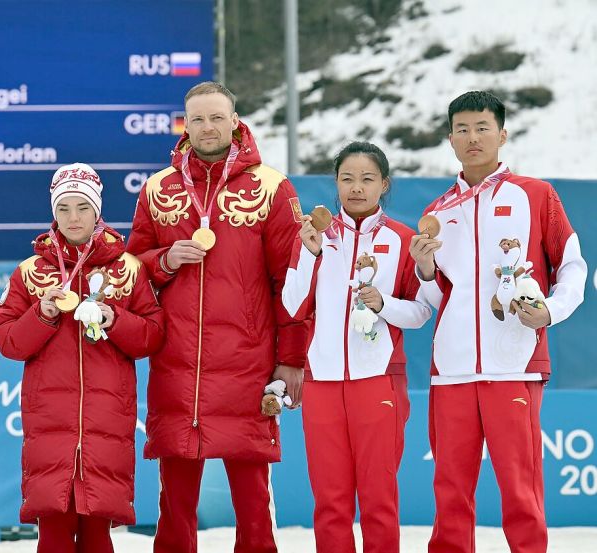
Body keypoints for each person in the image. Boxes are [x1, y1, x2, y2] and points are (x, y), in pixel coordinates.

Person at [127, 81, 306, 553]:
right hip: (177, 359)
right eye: (197, 119)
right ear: (186, 125)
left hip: (247, 362)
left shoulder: (271, 186)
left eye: (215, 118)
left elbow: (292, 284)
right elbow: (129, 271)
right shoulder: (158, 188)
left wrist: (291, 360)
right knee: (176, 495)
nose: (206, 128)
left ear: (234, 121)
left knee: (251, 491)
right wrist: (164, 260)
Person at [411, 91, 587, 553]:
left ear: (502, 134)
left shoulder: (535, 195)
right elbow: (434, 296)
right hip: (451, 369)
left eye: (483, 127)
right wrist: (425, 270)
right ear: (450, 139)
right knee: (450, 489)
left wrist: (551, 310)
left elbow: (572, 265)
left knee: (520, 488)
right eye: (463, 129)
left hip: (513, 363)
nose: (473, 137)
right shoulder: (436, 211)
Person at [0, 163, 164, 552]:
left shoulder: (128, 269)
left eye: (82, 207)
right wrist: (43, 314)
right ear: (53, 211)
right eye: (64, 207)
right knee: (52, 535)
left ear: (97, 211)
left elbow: (152, 335)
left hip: (107, 426)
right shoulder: (31, 272)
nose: (73, 217)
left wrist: (112, 317)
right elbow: (4, 339)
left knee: (97, 536)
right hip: (50, 427)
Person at [281, 142, 431, 552]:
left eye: (367, 179)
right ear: (336, 183)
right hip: (323, 384)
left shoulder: (402, 238)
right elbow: (292, 306)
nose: (356, 188)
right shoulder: (316, 235)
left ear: (384, 184)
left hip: (378, 382)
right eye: (347, 179)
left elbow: (420, 313)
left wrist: (385, 304)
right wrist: (312, 255)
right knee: (330, 501)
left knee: (379, 498)